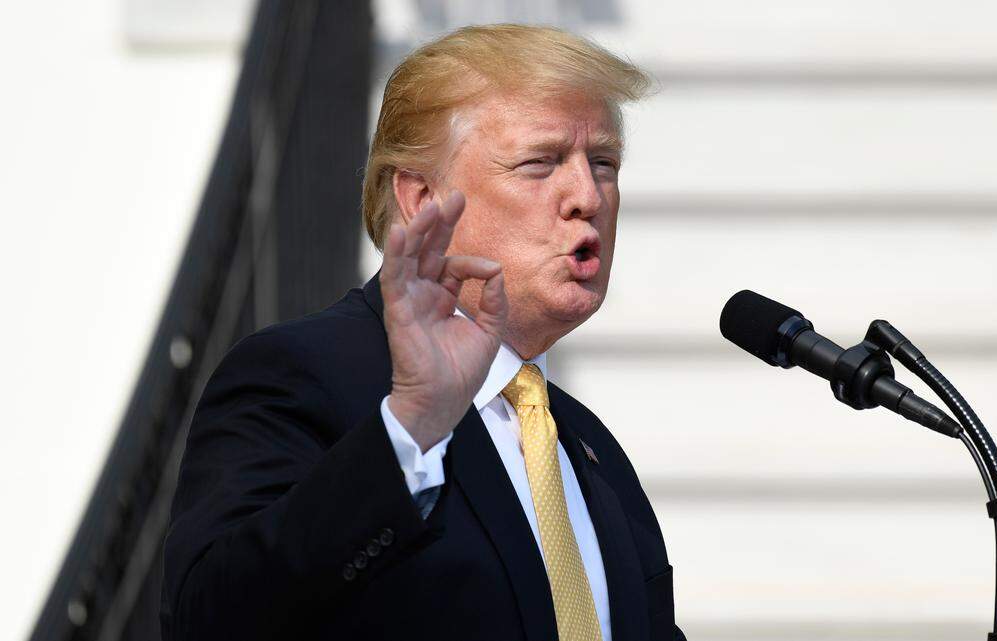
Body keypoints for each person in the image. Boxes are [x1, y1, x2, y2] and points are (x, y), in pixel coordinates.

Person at [161, 23, 683, 641]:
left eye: (604, 163)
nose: (586, 195)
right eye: (539, 163)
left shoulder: (587, 445)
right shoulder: (301, 377)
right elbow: (212, 619)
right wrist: (409, 430)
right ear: (421, 198)